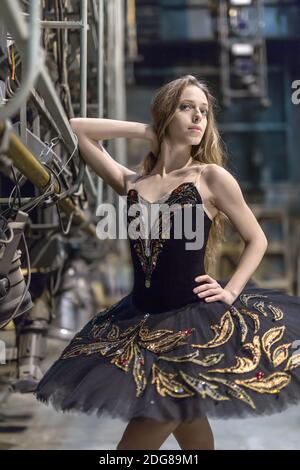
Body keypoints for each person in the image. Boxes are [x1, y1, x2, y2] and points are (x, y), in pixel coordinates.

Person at [34, 75, 300, 450]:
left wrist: (230, 291)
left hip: (191, 323)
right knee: (191, 429)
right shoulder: (132, 182)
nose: (198, 118)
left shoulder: (210, 177)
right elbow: (77, 130)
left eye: (204, 111)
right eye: (186, 107)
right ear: (165, 115)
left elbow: (258, 238)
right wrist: (148, 132)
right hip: (138, 319)